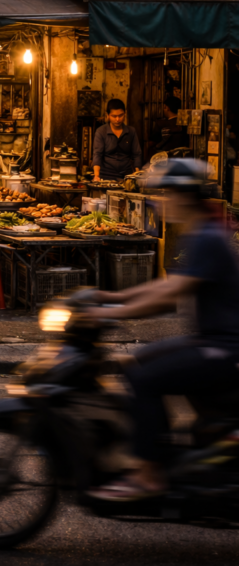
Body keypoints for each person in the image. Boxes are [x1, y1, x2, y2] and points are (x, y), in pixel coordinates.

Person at [86, 159, 239, 501]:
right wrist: (114, 297)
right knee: (137, 361)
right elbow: (165, 287)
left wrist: (113, 312)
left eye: (166, 193)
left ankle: (148, 475)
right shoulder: (199, 233)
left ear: (186, 196)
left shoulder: (208, 237)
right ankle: (159, 448)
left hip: (224, 348)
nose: (160, 201)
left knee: (145, 378)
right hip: (211, 340)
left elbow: (169, 295)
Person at [93, 99, 143, 181]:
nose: (117, 119)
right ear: (108, 115)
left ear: (125, 113)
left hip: (127, 175)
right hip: (106, 175)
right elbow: (97, 154)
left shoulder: (131, 131)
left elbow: (137, 155)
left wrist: (137, 175)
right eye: (114, 116)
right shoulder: (101, 131)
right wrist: (96, 176)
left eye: (120, 115)